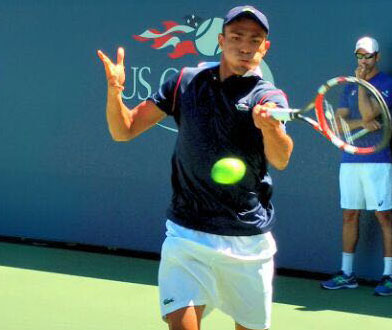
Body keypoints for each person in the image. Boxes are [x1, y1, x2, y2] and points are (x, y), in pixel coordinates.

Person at [97, 5, 293, 330]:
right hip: (187, 235)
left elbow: (282, 158)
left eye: (255, 40)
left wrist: (270, 127)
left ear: (265, 47)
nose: (245, 46)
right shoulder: (185, 82)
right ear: (220, 40)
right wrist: (115, 91)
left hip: (245, 240)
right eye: (236, 37)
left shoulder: (268, 96)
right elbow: (124, 130)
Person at [320, 37, 392, 296]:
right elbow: (339, 124)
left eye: (368, 56)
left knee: (383, 216)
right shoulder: (348, 87)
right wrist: (361, 124)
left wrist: (363, 86)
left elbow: (368, 114)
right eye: (359, 56)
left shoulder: (387, 83)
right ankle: (347, 273)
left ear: (377, 57)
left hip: (377, 160)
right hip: (350, 159)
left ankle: (388, 276)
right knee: (349, 215)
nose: (363, 61)